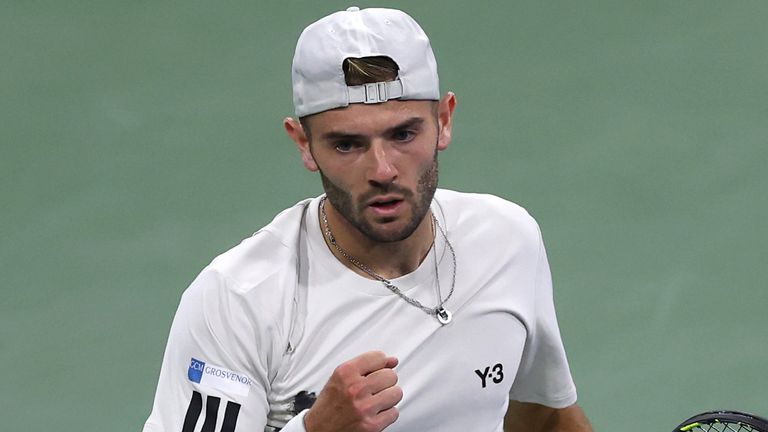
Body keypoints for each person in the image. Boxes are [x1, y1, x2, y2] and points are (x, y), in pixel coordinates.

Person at [143, 6, 592, 432]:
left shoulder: (507, 240)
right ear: (303, 143)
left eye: (403, 134)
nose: (382, 170)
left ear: (444, 120)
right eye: (347, 145)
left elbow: (543, 416)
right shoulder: (239, 299)